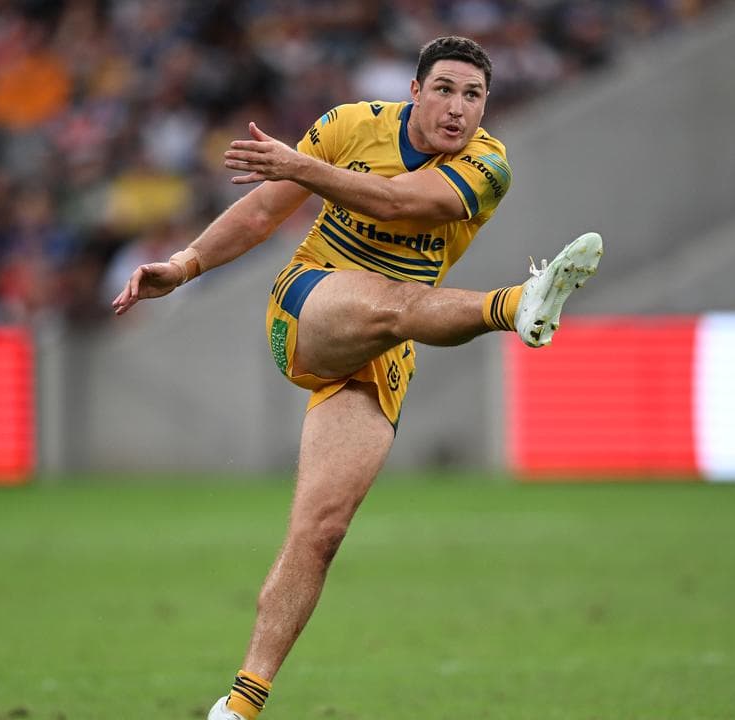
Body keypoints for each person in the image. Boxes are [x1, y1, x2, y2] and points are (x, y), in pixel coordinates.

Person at [111, 36, 602, 720]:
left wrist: (303, 167)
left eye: (473, 96)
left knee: (321, 530)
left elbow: (398, 204)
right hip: (310, 304)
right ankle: (517, 305)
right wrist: (185, 265)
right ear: (415, 91)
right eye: (444, 90)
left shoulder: (489, 165)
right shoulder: (349, 126)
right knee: (395, 303)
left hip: (387, 344)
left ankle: (240, 705)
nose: (457, 108)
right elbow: (263, 211)